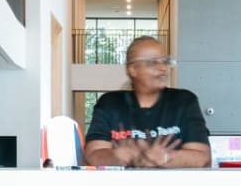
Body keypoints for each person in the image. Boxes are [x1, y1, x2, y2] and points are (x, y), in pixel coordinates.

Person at [83, 37, 211, 168]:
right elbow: (92, 155)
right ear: (133, 69)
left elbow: (203, 158)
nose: (163, 68)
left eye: (166, 62)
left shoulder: (184, 101)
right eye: (153, 62)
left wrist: (166, 157)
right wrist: (117, 156)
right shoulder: (110, 103)